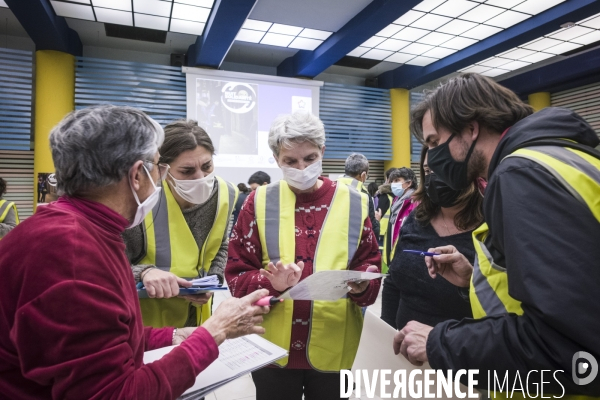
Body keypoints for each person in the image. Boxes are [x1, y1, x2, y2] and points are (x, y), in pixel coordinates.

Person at [0, 105, 269, 399]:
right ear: (138, 173)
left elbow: (104, 335)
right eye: (158, 166)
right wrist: (215, 332)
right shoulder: (73, 253)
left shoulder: (84, 230)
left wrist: (173, 336)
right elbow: (116, 394)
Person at [393, 73, 600, 397]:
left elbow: (566, 345)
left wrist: (439, 342)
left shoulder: (522, 176)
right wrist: (476, 278)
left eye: (434, 142)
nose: (431, 158)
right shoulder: (558, 158)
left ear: (471, 128)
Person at [226, 111, 381, 400]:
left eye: (309, 158)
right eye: (290, 161)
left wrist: (364, 285)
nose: (301, 167)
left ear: (322, 152)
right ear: (276, 159)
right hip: (271, 348)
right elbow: (236, 276)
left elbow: (369, 263)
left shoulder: (355, 202)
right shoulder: (257, 203)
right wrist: (271, 282)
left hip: (335, 344)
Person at [123, 119, 238, 329]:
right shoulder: (141, 198)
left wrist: (212, 279)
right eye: (187, 171)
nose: (200, 177)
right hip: (144, 322)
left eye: (207, 166)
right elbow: (110, 263)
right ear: (162, 169)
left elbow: (220, 244)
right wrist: (144, 272)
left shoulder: (225, 193)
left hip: (197, 318)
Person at [381, 145, 483, 330]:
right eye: (428, 170)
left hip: (456, 352)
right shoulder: (417, 218)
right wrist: (385, 334)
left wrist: (470, 283)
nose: (434, 177)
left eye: (442, 167)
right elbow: (393, 282)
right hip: (400, 350)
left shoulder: (490, 228)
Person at [381, 167, 418, 273]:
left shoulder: (415, 203)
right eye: (392, 181)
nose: (393, 184)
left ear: (409, 183)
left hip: (406, 260)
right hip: (394, 258)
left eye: (397, 180)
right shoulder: (397, 202)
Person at [338, 153, 380, 237]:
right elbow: (371, 229)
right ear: (363, 175)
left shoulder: (333, 187)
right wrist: (377, 222)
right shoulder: (363, 195)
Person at [375, 168, 396, 247]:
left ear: (387, 180)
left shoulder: (385, 196)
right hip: (392, 232)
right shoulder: (401, 196)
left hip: (383, 232)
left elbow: (378, 213)